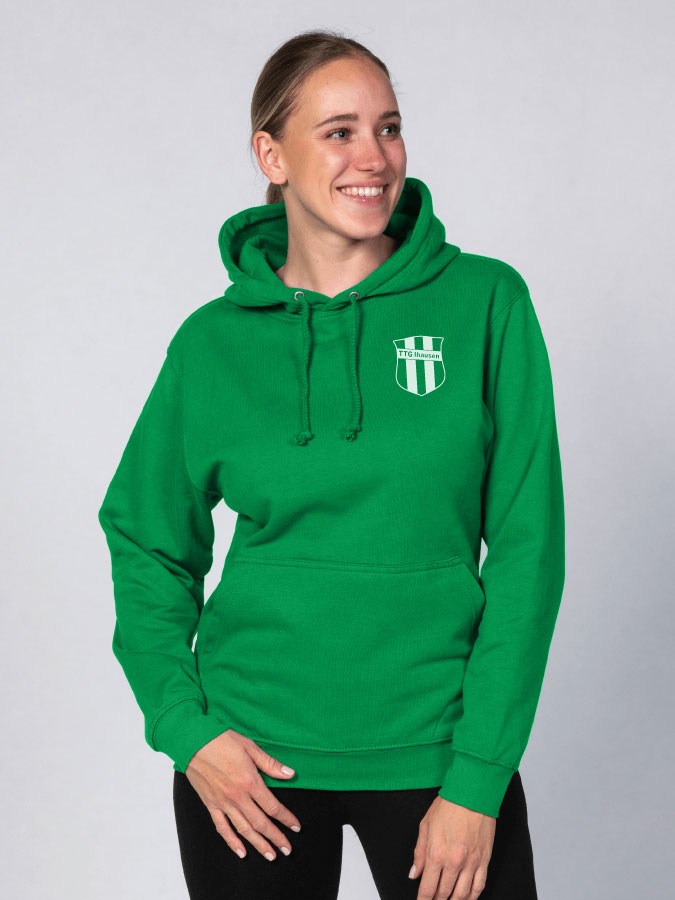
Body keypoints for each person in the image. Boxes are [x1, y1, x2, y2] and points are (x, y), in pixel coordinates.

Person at [98, 29, 565, 900]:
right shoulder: (212, 344)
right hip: (250, 765)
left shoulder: (484, 303)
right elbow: (146, 540)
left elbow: (527, 551)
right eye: (339, 132)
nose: (373, 157)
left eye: (387, 128)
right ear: (271, 156)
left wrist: (479, 776)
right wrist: (187, 729)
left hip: (439, 755)